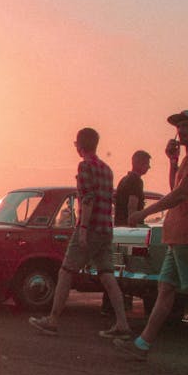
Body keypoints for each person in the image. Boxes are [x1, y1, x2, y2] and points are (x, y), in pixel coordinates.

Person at [113, 110, 188, 368]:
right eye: (179, 127)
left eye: (186, 126)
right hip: (178, 234)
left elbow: (183, 193)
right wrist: (172, 161)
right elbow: (176, 188)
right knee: (167, 290)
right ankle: (142, 345)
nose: (180, 131)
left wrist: (145, 212)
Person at [29, 128, 131, 339]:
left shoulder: (85, 166)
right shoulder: (107, 169)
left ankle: (53, 320)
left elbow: (88, 199)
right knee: (107, 276)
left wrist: (83, 229)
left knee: (66, 272)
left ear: (80, 145)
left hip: (90, 227)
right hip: (106, 229)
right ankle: (122, 323)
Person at [101, 150, 151, 315]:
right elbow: (132, 205)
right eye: (147, 164)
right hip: (129, 229)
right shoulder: (137, 182)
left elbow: (116, 202)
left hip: (118, 229)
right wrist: (134, 229)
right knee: (129, 269)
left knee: (116, 268)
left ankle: (109, 306)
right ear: (139, 163)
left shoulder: (124, 180)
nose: (149, 167)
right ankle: (120, 306)